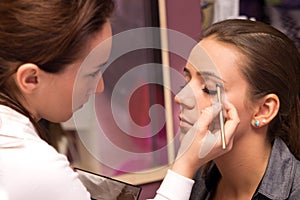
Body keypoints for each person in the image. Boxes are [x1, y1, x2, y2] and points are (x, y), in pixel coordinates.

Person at [0, 1, 239, 199]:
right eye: (92, 72)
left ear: (265, 110)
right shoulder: (31, 164)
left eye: (208, 87)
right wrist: (185, 165)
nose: (100, 86)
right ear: (31, 78)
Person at [173, 19, 300, 199]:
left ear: (264, 110)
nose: (180, 98)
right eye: (186, 82)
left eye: (208, 88)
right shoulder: (192, 179)